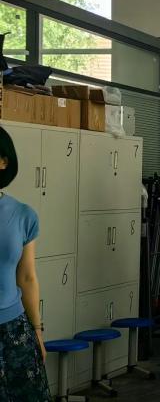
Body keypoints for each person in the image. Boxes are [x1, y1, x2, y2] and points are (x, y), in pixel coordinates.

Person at [0, 126, 50, 401]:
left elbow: (27, 277)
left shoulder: (23, 215)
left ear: (3, 161)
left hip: (14, 330)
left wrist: (37, 331)